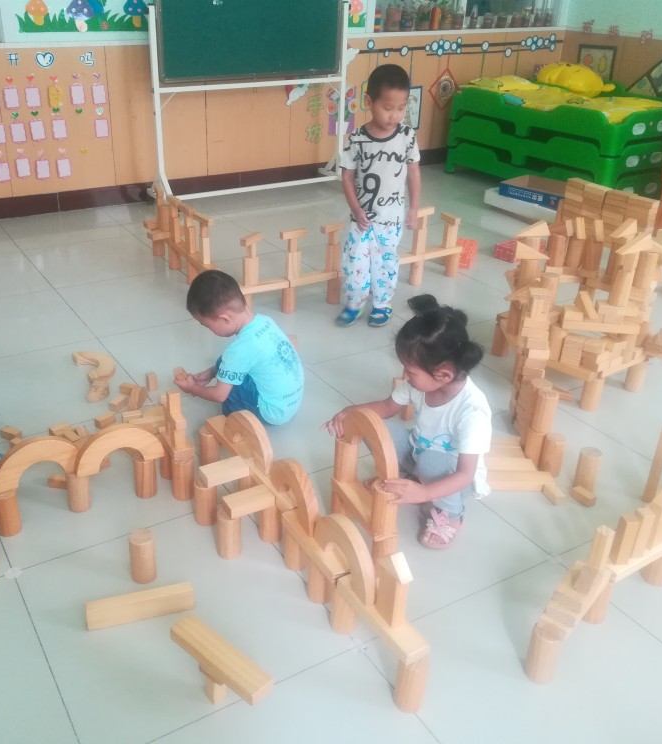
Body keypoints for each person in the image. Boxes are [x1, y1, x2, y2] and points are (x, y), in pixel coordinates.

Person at [323, 294, 491, 548]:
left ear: (443, 375)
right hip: (418, 451)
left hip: (452, 476)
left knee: (432, 461)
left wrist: (425, 493)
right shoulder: (419, 385)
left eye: (411, 371)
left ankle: (452, 515)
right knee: (372, 426)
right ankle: (412, 477)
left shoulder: (472, 411)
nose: (405, 375)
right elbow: (386, 407)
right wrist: (350, 412)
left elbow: (465, 474)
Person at [337, 63, 421, 328]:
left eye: (401, 107)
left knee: (385, 261)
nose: (394, 115)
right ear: (368, 101)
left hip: (391, 219)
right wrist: (356, 209)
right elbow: (347, 176)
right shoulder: (357, 138)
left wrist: (413, 208)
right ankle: (354, 303)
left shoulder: (407, 136)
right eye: (387, 107)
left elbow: (414, 172)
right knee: (355, 261)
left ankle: (382, 303)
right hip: (361, 219)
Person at [176, 270, 304, 425]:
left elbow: (219, 395)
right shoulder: (266, 321)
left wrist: (193, 389)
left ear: (225, 319)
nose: (209, 330)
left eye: (207, 326)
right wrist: (211, 373)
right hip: (290, 404)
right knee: (226, 362)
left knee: (230, 383)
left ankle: (233, 422)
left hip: (271, 412)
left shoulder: (239, 350)